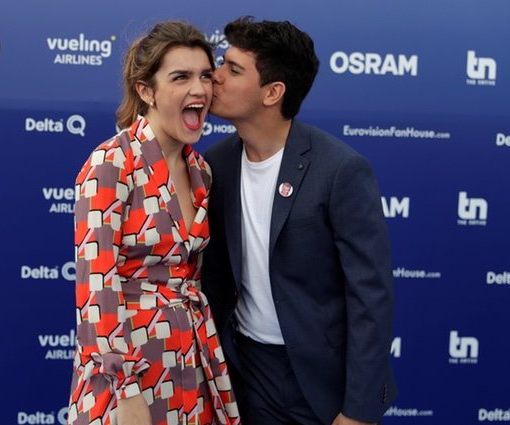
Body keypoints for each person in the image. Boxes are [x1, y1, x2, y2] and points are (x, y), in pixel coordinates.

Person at [201, 16, 398, 425]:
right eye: (222, 63)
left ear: (273, 92)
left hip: (322, 379)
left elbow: (370, 295)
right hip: (246, 371)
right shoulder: (214, 165)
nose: (214, 77)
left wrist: (358, 411)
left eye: (232, 69)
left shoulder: (341, 170)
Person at [68, 21, 241, 425]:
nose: (199, 89)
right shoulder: (111, 163)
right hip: (129, 376)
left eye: (204, 76)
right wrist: (124, 391)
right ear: (146, 90)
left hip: (192, 362)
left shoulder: (202, 170)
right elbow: (97, 288)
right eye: (180, 77)